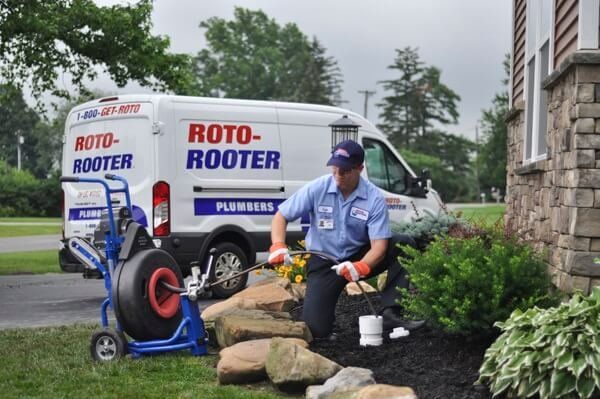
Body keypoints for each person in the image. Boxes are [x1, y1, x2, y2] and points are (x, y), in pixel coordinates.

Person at [268, 139, 425, 339]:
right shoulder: (318, 188)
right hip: (325, 262)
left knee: (403, 243)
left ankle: (390, 313)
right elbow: (281, 216)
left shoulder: (373, 198)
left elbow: (379, 246)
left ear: (359, 168)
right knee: (316, 330)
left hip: (359, 255)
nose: (338, 175)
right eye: (335, 169)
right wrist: (278, 245)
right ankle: (324, 319)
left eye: (345, 170)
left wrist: (361, 266)